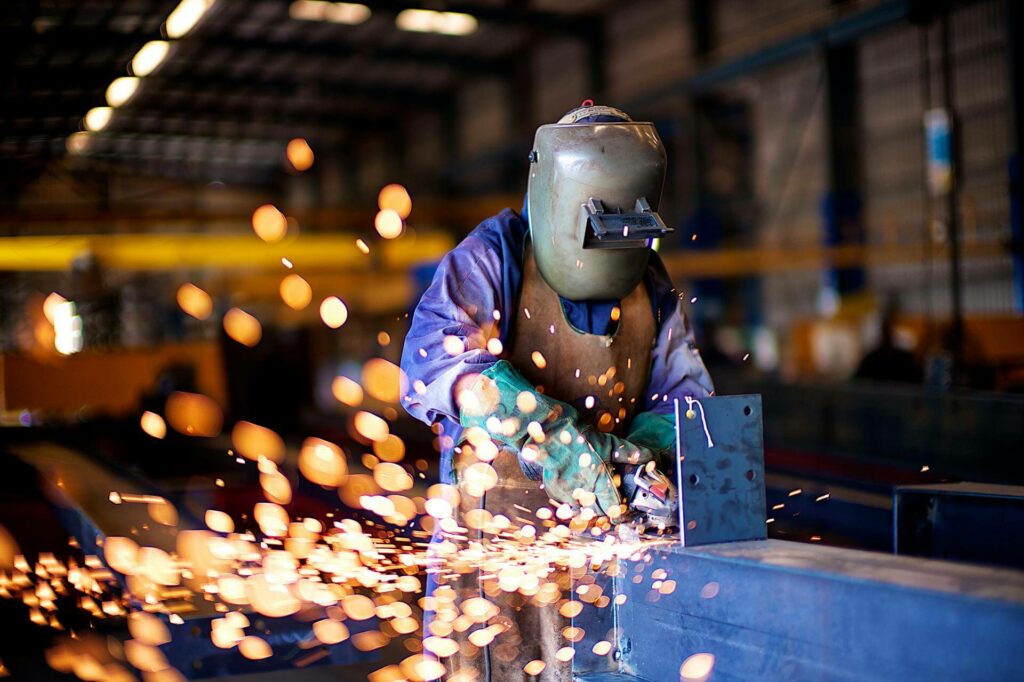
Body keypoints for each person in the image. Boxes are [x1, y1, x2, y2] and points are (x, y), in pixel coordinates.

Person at [400, 102, 713, 681]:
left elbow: (690, 404)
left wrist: (637, 448)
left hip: (605, 542)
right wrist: (547, 433)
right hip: (493, 551)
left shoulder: (652, 284)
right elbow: (437, 369)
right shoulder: (494, 255)